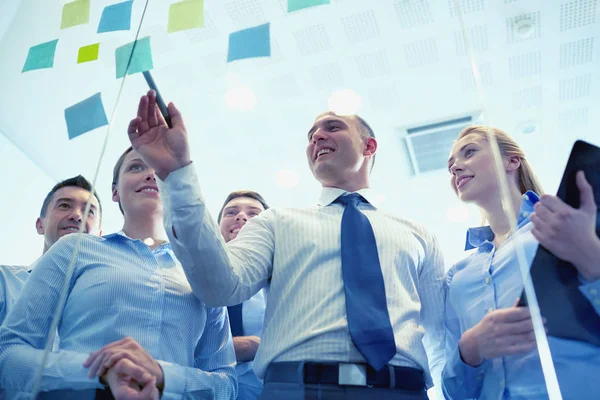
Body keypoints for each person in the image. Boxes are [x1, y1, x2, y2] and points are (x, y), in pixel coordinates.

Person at [121, 90, 446, 399]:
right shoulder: (276, 223)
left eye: (332, 127)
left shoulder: (418, 235)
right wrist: (176, 173)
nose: (317, 137)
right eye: (311, 134)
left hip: (403, 389)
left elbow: (440, 331)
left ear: (369, 146)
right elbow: (220, 288)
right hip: (294, 389)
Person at [0, 147, 237, 400]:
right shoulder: (74, 249)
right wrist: (101, 371)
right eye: (137, 167)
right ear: (115, 192)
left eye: (160, 170)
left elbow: (228, 384)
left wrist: (164, 376)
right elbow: (9, 353)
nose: (150, 174)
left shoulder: (202, 270)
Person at [443, 125, 600, 399]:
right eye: (451, 165)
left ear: (512, 160)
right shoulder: (458, 276)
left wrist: (591, 259)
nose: (455, 167)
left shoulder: (567, 226)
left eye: (469, 152)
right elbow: (454, 392)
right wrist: (469, 348)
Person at [0, 175, 103, 400]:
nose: (77, 215)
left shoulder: (106, 307)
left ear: (100, 237)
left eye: (89, 211)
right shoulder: (3, 281)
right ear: (40, 225)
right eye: (65, 205)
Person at [217, 190, 269, 400]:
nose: (241, 216)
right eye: (230, 212)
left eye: (253, 214)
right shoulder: (190, 277)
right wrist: (245, 346)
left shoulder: (282, 282)